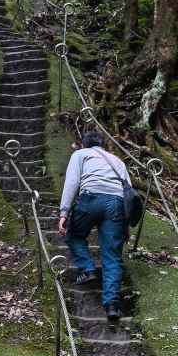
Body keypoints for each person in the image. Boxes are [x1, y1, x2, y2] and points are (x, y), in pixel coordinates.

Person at [57, 129, 132, 322]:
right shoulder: (118, 161)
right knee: (112, 255)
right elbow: (128, 193)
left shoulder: (80, 154)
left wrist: (64, 212)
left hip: (91, 198)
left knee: (73, 234)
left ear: (84, 144)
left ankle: (87, 269)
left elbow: (72, 181)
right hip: (116, 204)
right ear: (102, 145)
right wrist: (125, 226)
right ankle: (113, 305)